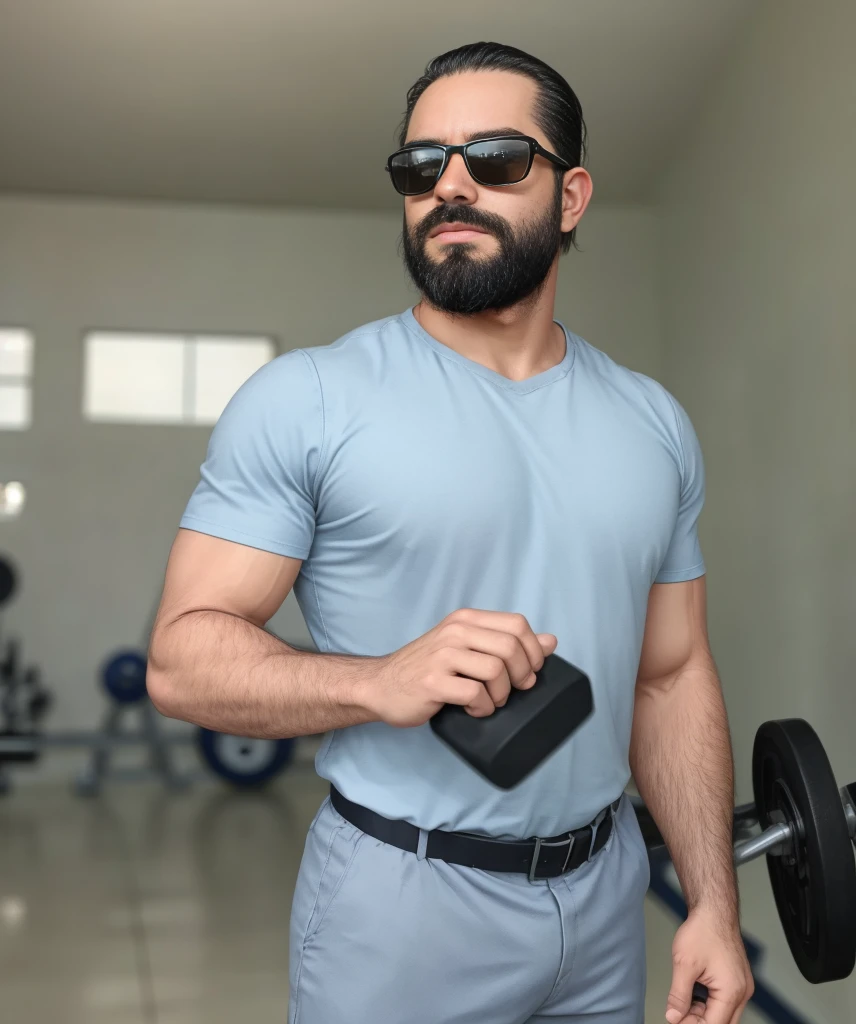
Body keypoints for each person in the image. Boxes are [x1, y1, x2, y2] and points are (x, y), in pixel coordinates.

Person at [148, 41, 753, 1024]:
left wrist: (709, 904)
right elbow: (181, 659)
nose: (450, 187)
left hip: (605, 895)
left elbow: (670, 674)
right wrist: (374, 680)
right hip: (402, 900)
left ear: (570, 195)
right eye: (420, 166)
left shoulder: (652, 424)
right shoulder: (309, 398)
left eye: (497, 159)